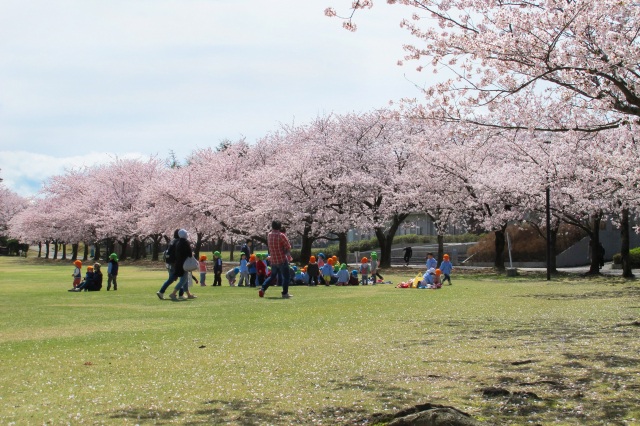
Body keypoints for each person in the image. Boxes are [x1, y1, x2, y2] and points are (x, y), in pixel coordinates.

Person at [259, 220, 292, 298]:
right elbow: (288, 246)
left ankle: (263, 288)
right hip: (282, 259)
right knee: (286, 277)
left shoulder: (269, 235)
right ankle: (285, 293)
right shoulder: (281, 235)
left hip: (273, 260)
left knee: (272, 277)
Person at [167, 229, 197, 300]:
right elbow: (189, 254)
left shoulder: (178, 242)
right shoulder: (185, 242)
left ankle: (188, 294)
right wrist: (192, 254)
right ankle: (173, 293)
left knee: (185, 279)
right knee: (183, 280)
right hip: (184, 264)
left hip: (179, 263)